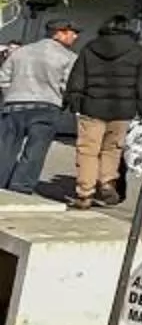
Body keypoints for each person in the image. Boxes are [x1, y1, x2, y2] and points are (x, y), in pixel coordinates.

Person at [62, 16, 142, 210]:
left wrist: (75, 102)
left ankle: (85, 193)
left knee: (88, 150)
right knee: (113, 149)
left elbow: (77, 78)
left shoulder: (90, 48)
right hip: (123, 109)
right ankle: (107, 182)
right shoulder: (139, 52)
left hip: (92, 106)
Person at [0, 21, 81, 196]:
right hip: (47, 105)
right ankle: (21, 185)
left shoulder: (21, 52)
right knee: (36, 149)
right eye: (72, 32)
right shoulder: (69, 57)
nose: (75, 36)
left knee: (6, 146)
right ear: (58, 33)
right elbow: (68, 85)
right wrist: (62, 102)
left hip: (15, 103)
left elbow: (4, 77)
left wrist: (10, 94)